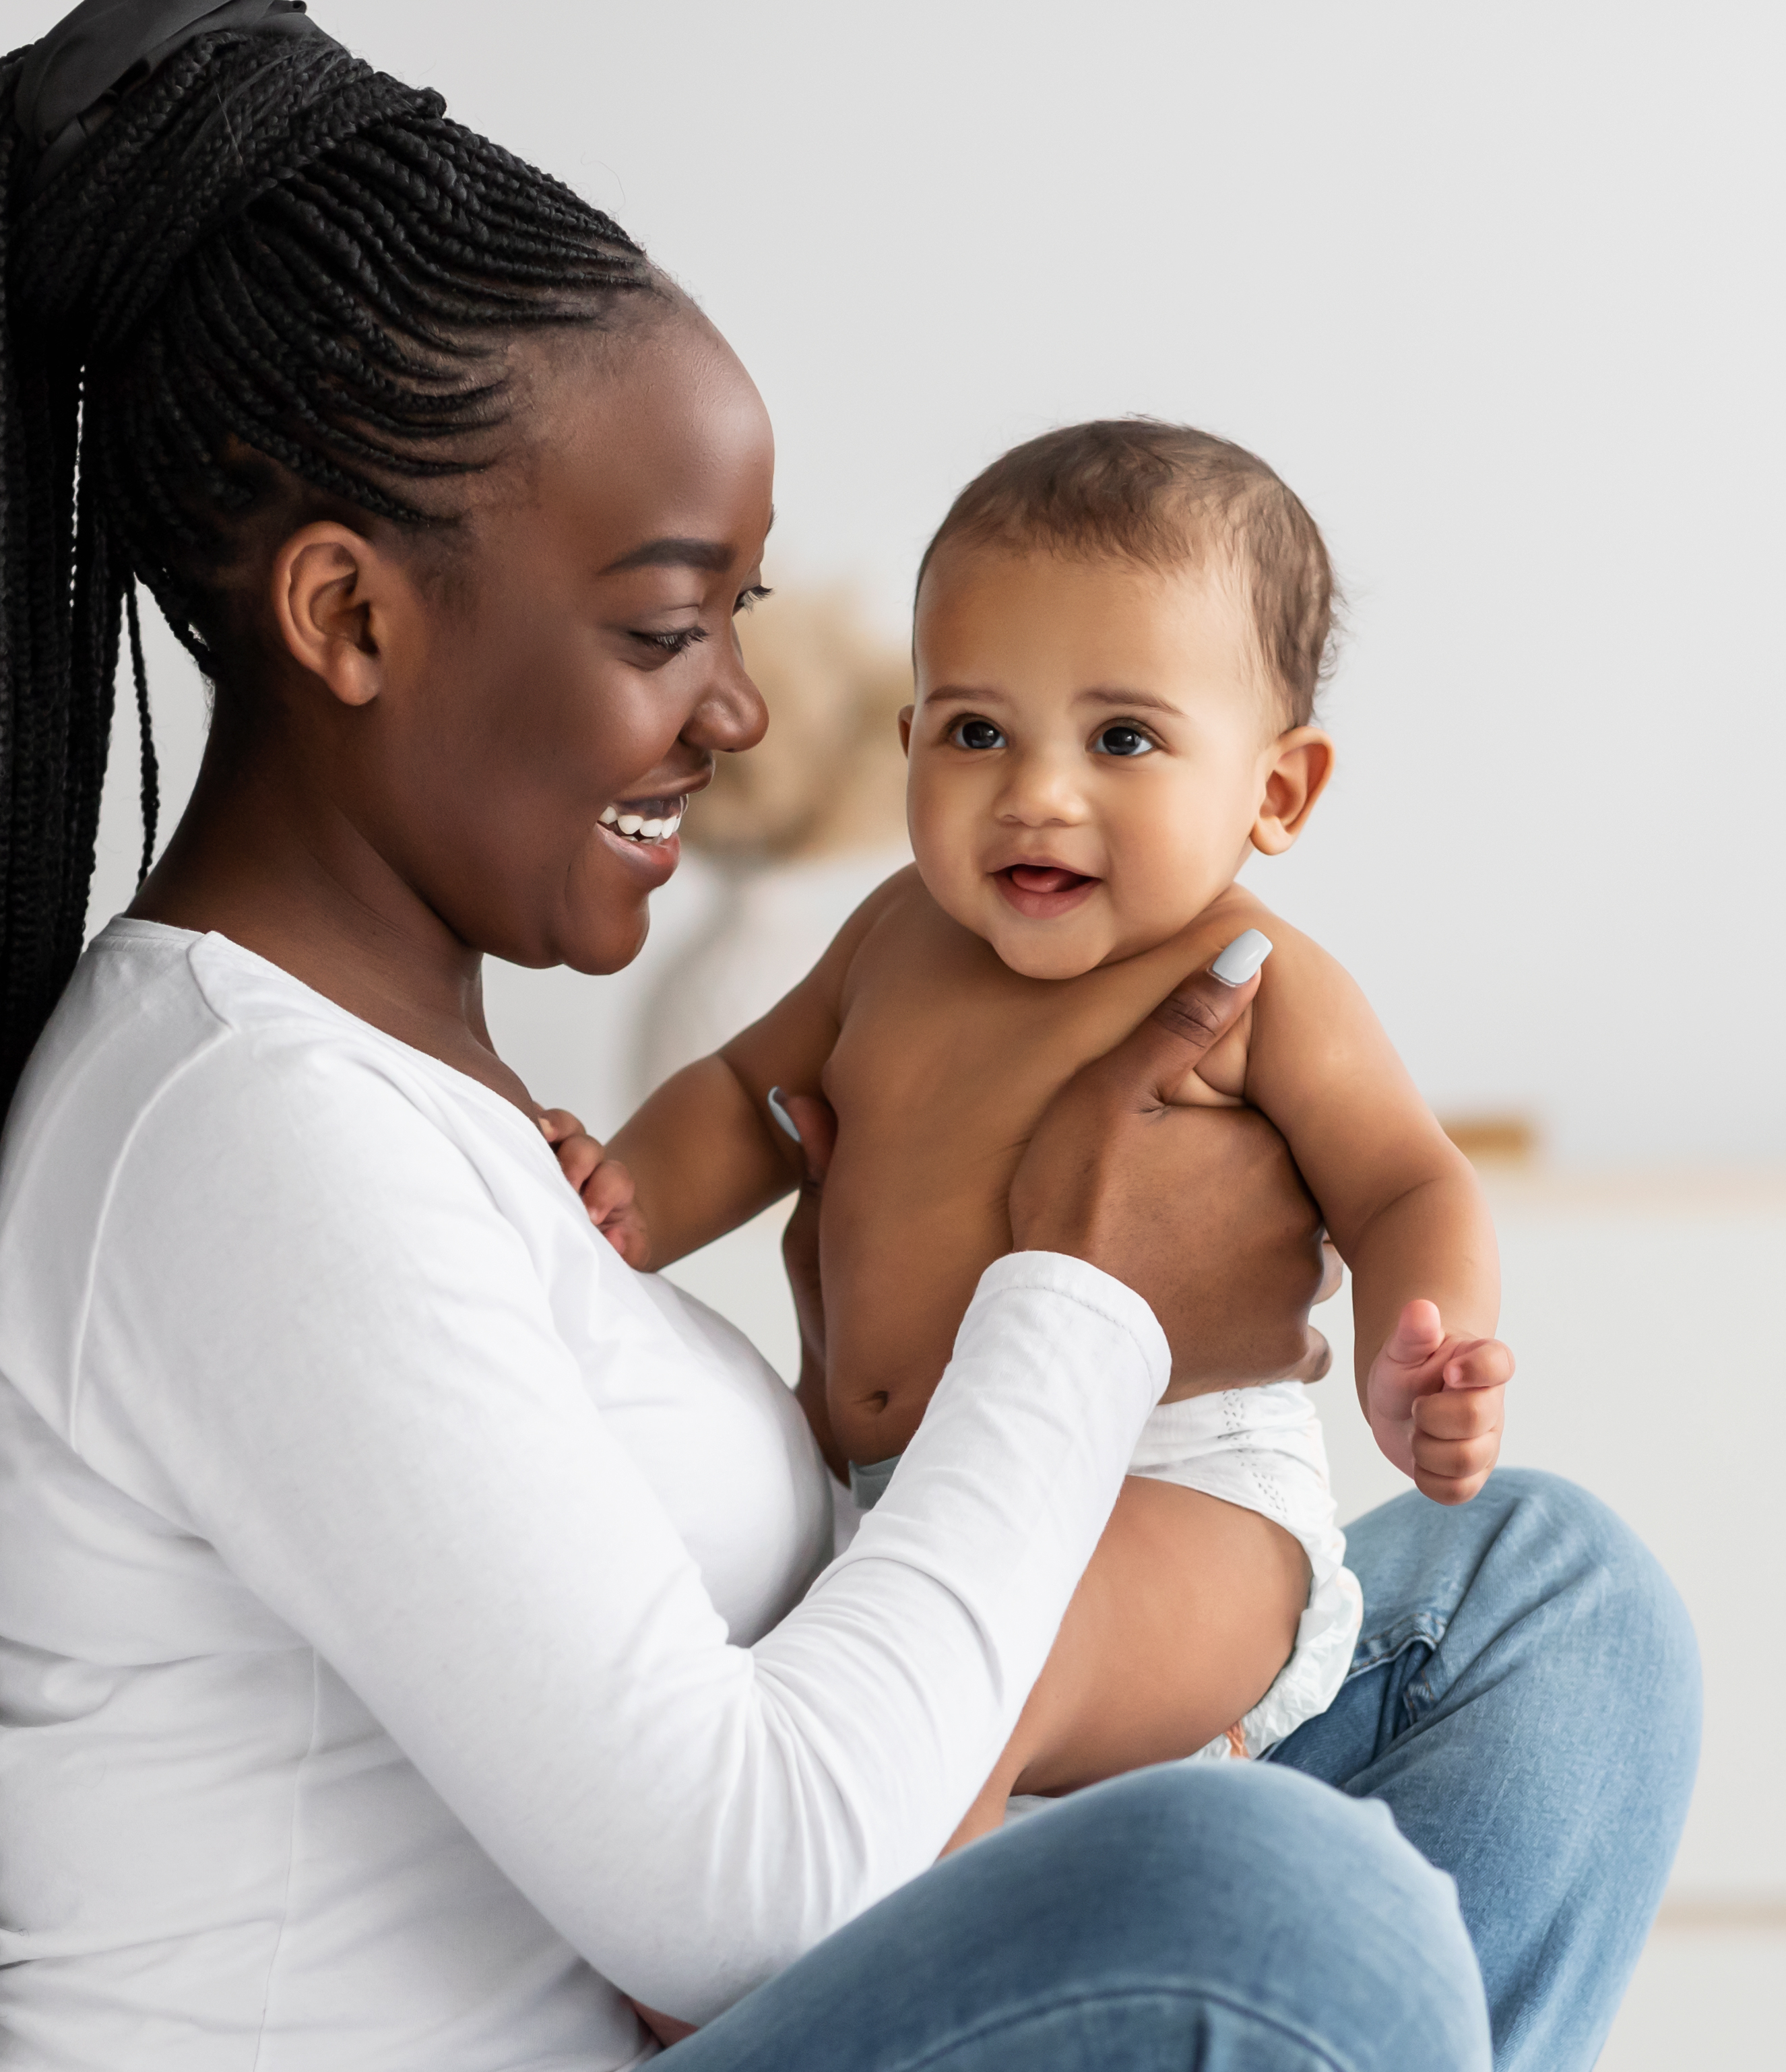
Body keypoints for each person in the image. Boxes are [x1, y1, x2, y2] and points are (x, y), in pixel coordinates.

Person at [0, 3, 1702, 2069]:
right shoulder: (244, 1137)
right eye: (660, 625)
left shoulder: (389, 1095)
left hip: (876, 1823)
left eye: (739, 616)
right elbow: (736, 1905)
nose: (737, 710)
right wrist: (1080, 1294)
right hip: (707, 1964)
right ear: (348, 618)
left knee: (1543, 1602)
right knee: (1286, 1917)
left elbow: (1384, 1192)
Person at [589, 420, 1512, 1847]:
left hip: (1181, 1502)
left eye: (1122, 737)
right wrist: (614, 1204)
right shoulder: (892, 934)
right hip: (900, 1509)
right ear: (909, 744)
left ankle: (830, 1940)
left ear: (1277, 790)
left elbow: (1402, 1179)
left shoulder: (1255, 980)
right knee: (783, 1682)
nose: (1036, 790)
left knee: (999, 1656)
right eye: (975, 730)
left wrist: (1420, 1351)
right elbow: (739, 1094)